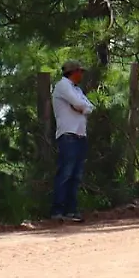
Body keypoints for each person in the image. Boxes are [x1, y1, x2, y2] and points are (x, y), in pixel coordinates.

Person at [50, 60, 94, 222]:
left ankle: (70, 211)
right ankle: (58, 210)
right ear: (73, 72)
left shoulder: (77, 89)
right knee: (66, 173)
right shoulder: (63, 86)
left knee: (76, 175)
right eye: (80, 71)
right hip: (68, 135)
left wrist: (82, 108)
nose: (81, 74)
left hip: (80, 135)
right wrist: (81, 107)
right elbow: (78, 104)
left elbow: (89, 107)